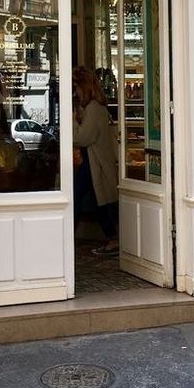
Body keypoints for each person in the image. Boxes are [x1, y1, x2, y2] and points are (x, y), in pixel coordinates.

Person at [72, 66, 119, 255]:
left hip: (94, 163)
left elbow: (82, 138)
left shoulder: (93, 109)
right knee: (94, 200)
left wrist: (73, 121)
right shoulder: (97, 108)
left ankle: (111, 238)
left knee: (81, 198)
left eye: (76, 87)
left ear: (83, 86)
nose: (75, 91)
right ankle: (111, 237)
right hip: (92, 162)